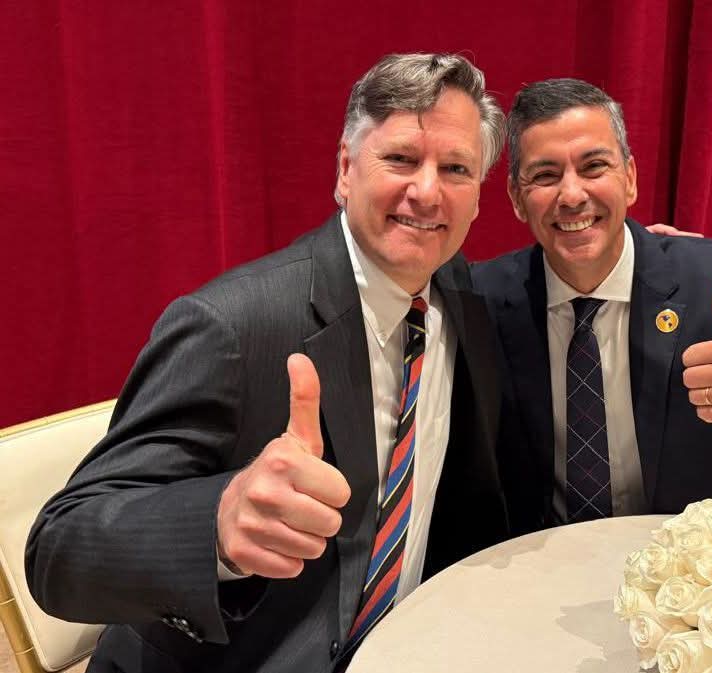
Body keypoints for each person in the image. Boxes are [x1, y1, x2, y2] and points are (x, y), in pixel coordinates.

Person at [26, 53, 509, 673]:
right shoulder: (233, 325)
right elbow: (60, 550)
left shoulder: (462, 300)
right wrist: (219, 524)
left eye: (456, 168)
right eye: (401, 159)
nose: (427, 190)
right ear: (345, 169)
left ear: (478, 196)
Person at [471, 78, 712, 535]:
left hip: (702, 561)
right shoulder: (480, 300)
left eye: (594, 166)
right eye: (545, 175)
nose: (572, 195)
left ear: (630, 179)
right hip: (547, 561)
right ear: (517, 199)